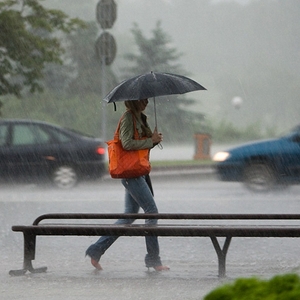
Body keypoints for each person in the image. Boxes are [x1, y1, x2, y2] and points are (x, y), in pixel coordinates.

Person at [85, 99, 169, 272]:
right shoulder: (128, 118)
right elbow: (126, 143)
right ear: (133, 101)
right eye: (142, 99)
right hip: (132, 174)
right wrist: (149, 141)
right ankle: (153, 259)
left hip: (140, 172)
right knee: (152, 213)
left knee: (128, 216)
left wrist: (154, 140)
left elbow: (140, 147)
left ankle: (96, 249)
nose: (146, 102)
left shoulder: (141, 117)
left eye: (146, 99)